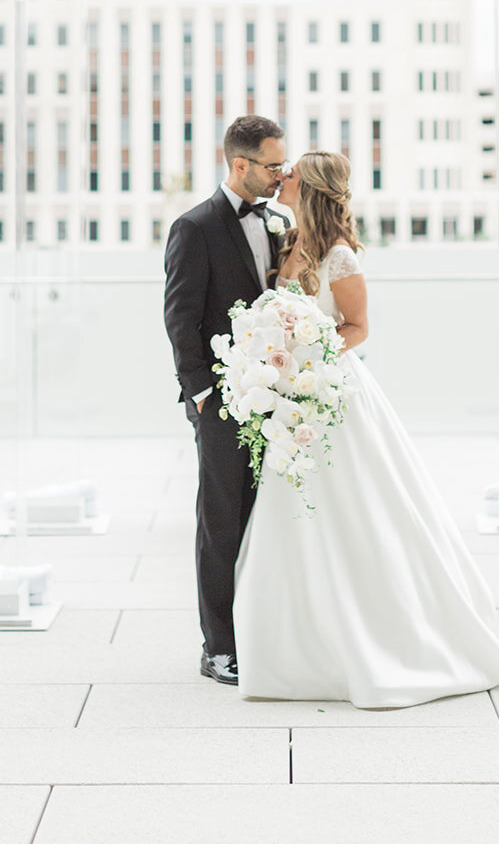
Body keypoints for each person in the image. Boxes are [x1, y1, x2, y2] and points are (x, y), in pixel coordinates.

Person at [232, 150, 499, 708]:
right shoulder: (289, 244)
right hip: (294, 397)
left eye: (290, 174)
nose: (280, 177)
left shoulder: (339, 256)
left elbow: (357, 328)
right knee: (292, 518)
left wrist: (307, 363)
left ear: (309, 187)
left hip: (331, 397)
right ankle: (293, 644)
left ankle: (380, 636)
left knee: (353, 512)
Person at [162, 114, 292, 686]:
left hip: (283, 397)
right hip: (223, 402)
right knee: (221, 520)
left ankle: (268, 630)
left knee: (272, 516)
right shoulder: (194, 228)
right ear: (238, 164)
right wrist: (203, 396)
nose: (282, 176)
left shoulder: (281, 221)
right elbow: (180, 318)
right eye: (272, 165)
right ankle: (218, 647)